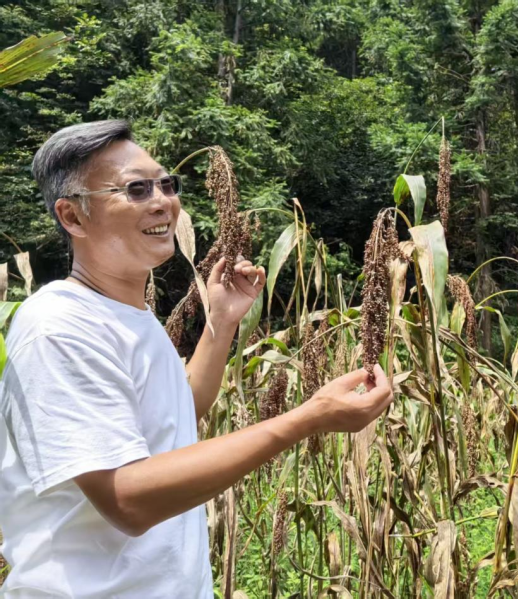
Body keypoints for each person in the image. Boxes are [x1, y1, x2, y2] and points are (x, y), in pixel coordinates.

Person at [0, 120, 393, 597]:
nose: (163, 201)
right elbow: (128, 500)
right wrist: (307, 419)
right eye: (136, 189)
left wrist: (220, 323)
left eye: (167, 184)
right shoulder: (60, 327)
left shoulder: (129, 315)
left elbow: (177, 409)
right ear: (73, 216)